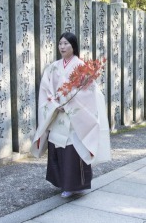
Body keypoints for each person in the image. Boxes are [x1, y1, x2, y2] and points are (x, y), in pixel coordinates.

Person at [31, 32, 111, 198]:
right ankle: (63, 183)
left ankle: (76, 185)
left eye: (66, 43)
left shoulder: (82, 66)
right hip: (58, 113)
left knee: (73, 149)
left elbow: (89, 92)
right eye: (60, 44)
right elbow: (46, 89)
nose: (62, 47)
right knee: (59, 147)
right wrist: (54, 103)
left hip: (75, 117)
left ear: (73, 46)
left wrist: (68, 101)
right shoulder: (53, 67)